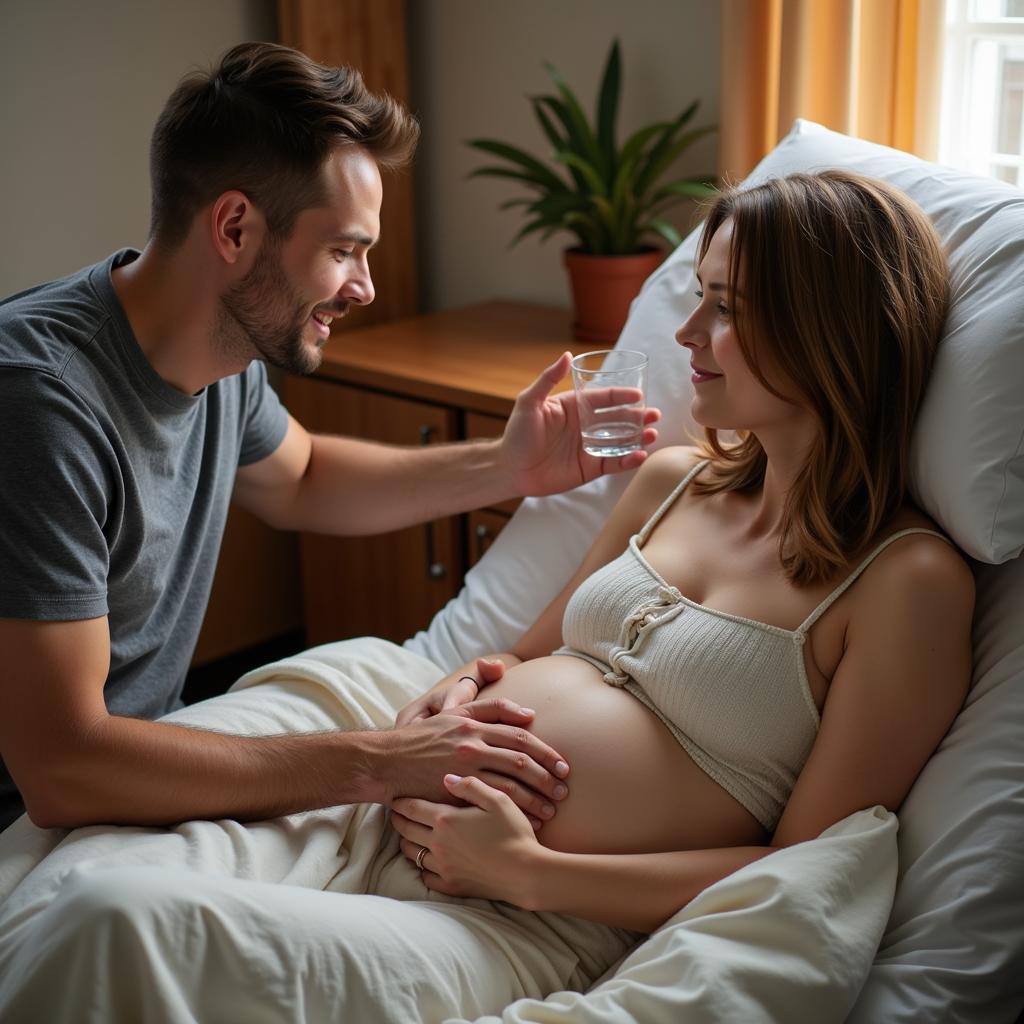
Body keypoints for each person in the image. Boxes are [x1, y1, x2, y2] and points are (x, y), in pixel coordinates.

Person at [0, 170, 975, 1022]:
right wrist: (457, 689)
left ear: (830, 327)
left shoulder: (903, 584)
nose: (686, 333)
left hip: (521, 913)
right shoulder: (670, 479)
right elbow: (524, 652)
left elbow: (803, 870)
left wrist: (529, 871)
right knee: (70, 886)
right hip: (387, 792)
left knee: (115, 925)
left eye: (725, 305)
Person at [0, 41, 661, 835]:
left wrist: (508, 464)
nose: (365, 287)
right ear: (236, 227)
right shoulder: (39, 404)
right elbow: (62, 768)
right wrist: (383, 761)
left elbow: (304, 478)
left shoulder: (224, 343)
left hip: (138, 773)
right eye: (344, 250)